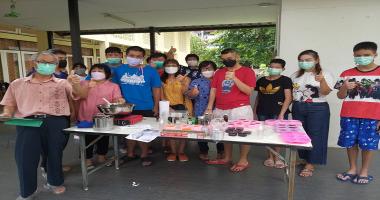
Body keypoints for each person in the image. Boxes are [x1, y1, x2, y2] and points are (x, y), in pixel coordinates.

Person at [0, 50, 83, 200]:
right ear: (34, 63)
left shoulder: (63, 82)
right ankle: (27, 191)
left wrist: (75, 84)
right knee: (25, 157)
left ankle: (54, 182)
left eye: (51, 63)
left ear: (56, 65)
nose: (47, 65)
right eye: (43, 61)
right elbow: (9, 103)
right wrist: (7, 112)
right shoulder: (18, 83)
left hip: (55, 121)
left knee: (54, 153)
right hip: (27, 122)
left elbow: (78, 95)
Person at [335, 41, 380, 184]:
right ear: (354, 56)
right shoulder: (346, 74)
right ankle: (352, 168)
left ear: (375, 54)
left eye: (366, 55)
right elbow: (340, 96)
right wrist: (344, 87)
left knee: (368, 144)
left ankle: (364, 171)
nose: (362, 58)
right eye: (358, 55)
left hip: (373, 116)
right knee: (350, 143)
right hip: (349, 114)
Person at [205, 48, 256, 172]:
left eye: (229, 58)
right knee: (224, 133)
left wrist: (234, 78)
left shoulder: (247, 71)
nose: (227, 61)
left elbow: (249, 91)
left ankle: (243, 159)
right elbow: (214, 90)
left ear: (237, 57)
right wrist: (209, 107)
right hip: (220, 108)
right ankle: (227, 157)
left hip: (240, 108)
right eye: (224, 60)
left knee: (243, 134)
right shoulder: (218, 72)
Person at [112, 46, 161, 167]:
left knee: (144, 132)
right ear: (126, 56)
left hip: (145, 106)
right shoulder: (119, 70)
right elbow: (114, 88)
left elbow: (156, 89)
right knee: (128, 132)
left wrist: (156, 106)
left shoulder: (150, 71)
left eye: (138, 56)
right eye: (132, 55)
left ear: (142, 58)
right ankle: (130, 154)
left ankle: (144, 155)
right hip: (125, 107)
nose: (134, 58)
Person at [290, 50, 334, 177]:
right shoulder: (295, 75)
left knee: (316, 134)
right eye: (301, 60)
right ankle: (303, 158)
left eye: (308, 60)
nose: (304, 62)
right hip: (298, 106)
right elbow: (292, 93)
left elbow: (325, 92)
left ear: (317, 60)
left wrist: (322, 81)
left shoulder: (325, 73)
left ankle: (311, 163)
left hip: (318, 107)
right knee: (300, 134)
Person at [76, 64, 125, 169]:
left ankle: (101, 156)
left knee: (103, 137)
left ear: (107, 73)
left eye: (100, 70)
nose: (96, 72)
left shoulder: (113, 86)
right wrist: (88, 86)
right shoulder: (84, 83)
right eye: (94, 70)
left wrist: (120, 100)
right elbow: (78, 96)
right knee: (87, 138)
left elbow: (117, 98)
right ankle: (87, 159)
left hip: (104, 116)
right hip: (85, 115)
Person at [253, 58, 292, 169]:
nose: (273, 69)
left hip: (278, 111)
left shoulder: (286, 80)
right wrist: (255, 111)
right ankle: (270, 157)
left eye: (277, 67)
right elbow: (258, 97)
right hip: (262, 111)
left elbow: (288, 98)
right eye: (271, 66)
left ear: (283, 69)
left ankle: (278, 157)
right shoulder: (261, 80)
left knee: (277, 135)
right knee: (266, 134)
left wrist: (281, 114)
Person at [187, 61, 224, 161]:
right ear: (200, 70)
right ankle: (203, 151)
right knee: (202, 131)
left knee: (219, 129)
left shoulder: (221, 81)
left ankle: (221, 151)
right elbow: (189, 95)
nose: (207, 70)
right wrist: (193, 93)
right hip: (200, 109)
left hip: (218, 110)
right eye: (204, 69)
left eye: (209, 68)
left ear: (215, 69)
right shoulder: (196, 81)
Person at [161, 59, 193, 162]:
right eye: (168, 65)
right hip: (168, 107)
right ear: (164, 67)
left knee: (183, 131)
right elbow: (161, 96)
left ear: (178, 67)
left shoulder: (185, 78)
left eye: (173, 65)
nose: (171, 67)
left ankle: (181, 152)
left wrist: (182, 83)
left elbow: (186, 93)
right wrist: (168, 108)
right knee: (171, 131)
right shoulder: (161, 80)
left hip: (183, 106)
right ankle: (173, 152)